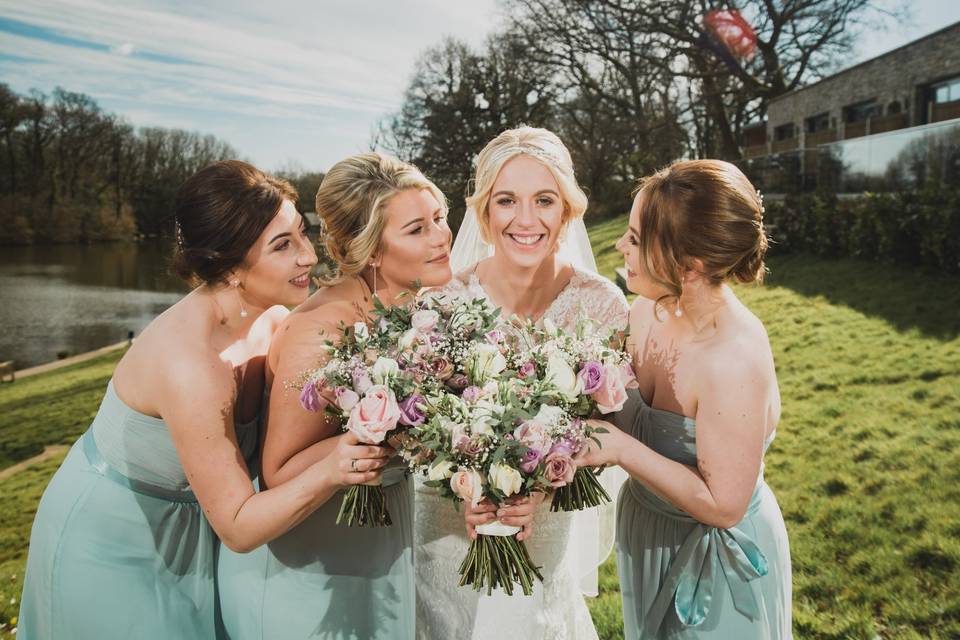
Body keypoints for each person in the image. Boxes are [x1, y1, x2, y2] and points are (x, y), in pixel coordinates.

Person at [17, 160, 389, 640]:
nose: (307, 256)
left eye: (302, 232)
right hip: (115, 538)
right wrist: (336, 467)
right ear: (231, 267)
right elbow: (237, 525)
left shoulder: (276, 318)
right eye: (282, 245)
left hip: (194, 526)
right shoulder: (191, 365)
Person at [216, 152, 452, 640]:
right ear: (372, 252)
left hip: (379, 539)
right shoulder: (319, 331)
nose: (441, 236)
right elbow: (277, 471)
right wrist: (396, 429)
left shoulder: (421, 306)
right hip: (310, 565)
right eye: (417, 229)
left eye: (439, 218)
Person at [414, 126, 628, 640]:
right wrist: (463, 486)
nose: (526, 220)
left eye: (545, 200)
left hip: (546, 526)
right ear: (484, 212)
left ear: (568, 210)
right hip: (447, 526)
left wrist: (540, 488)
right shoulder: (441, 301)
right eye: (507, 200)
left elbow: (607, 433)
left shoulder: (603, 306)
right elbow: (418, 427)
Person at [576, 159, 792, 638]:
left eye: (634, 238)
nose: (619, 246)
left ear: (688, 266)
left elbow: (724, 506)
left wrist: (617, 448)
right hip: (648, 533)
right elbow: (616, 408)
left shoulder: (732, 357)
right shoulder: (644, 312)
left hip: (717, 564)